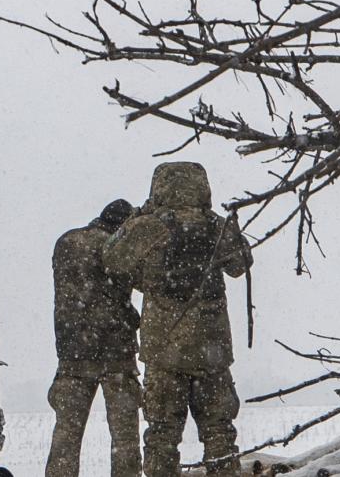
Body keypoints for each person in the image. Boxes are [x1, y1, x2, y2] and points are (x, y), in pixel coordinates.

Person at [105, 162, 252, 477]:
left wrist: (140, 216)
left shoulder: (148, 226)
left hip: (164, 350)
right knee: (219, 431)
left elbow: (112, 258)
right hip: (213, 349)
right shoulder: (217, 225)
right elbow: (241, 264)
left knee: (161, 434)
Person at [44, 198, 141, 477]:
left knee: (66, 436)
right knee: (124, 440)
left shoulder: (67, 243)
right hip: (116, 354)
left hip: (73, 354)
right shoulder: (116, 248)